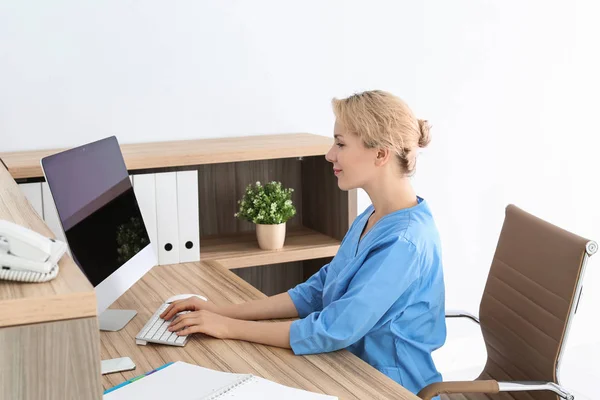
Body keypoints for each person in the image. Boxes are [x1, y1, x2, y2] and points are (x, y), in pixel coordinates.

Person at [161, 90, 446, 395]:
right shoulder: (375, 216)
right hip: (345, 367)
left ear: (380, 154)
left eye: (340, 143)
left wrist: (228, 328)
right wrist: (222, 312)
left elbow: (334, 329)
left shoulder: (404, 242)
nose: (329, 155)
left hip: (387, 387)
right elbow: (319, 291)